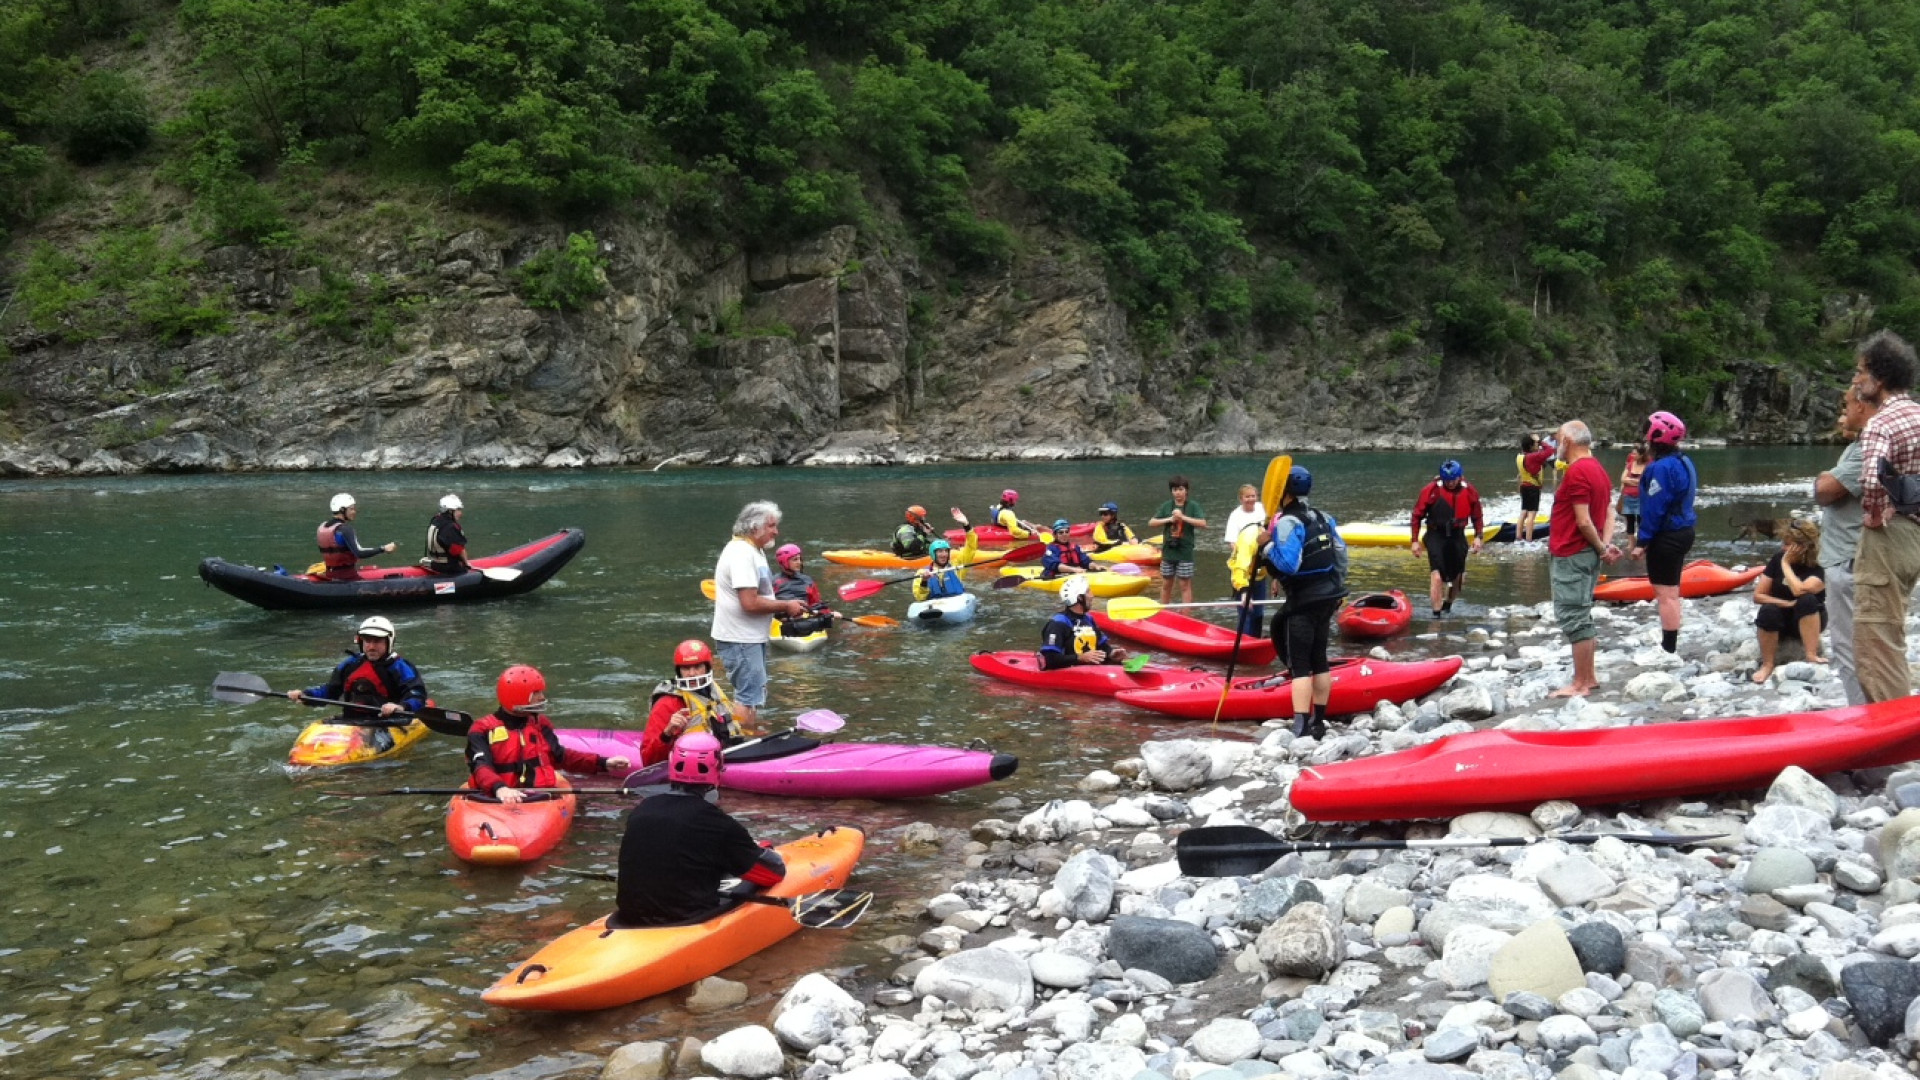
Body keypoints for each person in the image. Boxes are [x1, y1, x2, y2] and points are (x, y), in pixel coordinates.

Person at [614, 732, 787, 927]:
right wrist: (763, 849)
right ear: (718, 767)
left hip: (630, 918)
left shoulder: (641, 809)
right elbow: (772, 874)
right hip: (684, 920)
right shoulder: (717, 823)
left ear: (672, 764)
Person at [1850, 330, 1920, 703]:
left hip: (1888, 535)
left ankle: (1892, 738)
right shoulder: (1918, 414)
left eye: (1861, 372)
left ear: (1880, 378)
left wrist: (1876, 514)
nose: (1857, 380)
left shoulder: (1881, 422)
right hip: (1915, 536)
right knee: (1893, 631)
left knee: (1875, 640)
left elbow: (1871, 478)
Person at [1263, 466, 1349, 739]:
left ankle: (1300, 727)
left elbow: (1288, 564)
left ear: (1284, 492)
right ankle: (1319, 722)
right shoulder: (1324, 518)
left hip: (1303, 600)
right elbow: (1341, 555)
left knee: (1300, 664)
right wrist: (1338, 588)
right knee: (1319, 659)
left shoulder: (1289, 522)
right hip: (1328, 597)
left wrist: (1266, 546)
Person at [711, 501, 811, 733]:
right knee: (747, 696)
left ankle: (749, 733)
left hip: (750, 637)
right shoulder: (741, 554)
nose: (776, 531)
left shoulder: (753, 550)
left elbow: (760, 596)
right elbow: (749, 603)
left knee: (754, 693)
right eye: (771, 526)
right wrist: (786, 605)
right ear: (754, 527)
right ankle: (741, 745)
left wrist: (783, 608)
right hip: (740, 638)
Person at [467, 664, 629, 803]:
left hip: (538, 798)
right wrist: (500, 788)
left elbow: (561, 757)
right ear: (517, 694)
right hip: (496, 797)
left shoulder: (539, 723)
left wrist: (603, 763)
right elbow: (481, 767)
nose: (542, 697)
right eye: (535, 693)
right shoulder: (481, 730)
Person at [1815, 387, 1880, 706]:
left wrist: (1825, 477)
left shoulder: (1867, 445)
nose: (1842, 414)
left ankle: (1867, 727)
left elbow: (1825, 489)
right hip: (1857, 557)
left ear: (1862, 406)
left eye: (1845, 406)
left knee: (1849, 649)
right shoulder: (1867, 442)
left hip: (1848, 560)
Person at [1547, 421, 1621, 698]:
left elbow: (1583, 521)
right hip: (1586, 552)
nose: (1555, 445)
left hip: (1573, 553)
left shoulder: (1578, 472)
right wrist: (1606, 545)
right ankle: (1589, 678)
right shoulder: (1597, 469)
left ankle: (1580, 684)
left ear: (1567, 440)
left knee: (1573, 616)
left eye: (1557, 439)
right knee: (1582, 613)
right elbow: (1610, 512)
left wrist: (1602, 548)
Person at [289, 615, 428, 751]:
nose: (371, 646)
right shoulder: (350, 664)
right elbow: (330, 691)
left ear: (389, 642)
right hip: (351, 721)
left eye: (377, 641)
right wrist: (305, 695)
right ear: (361, 642)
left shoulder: (400, 667)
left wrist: (401, 706)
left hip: (388, 722)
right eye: (367, 641)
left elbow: (416, 694)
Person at [1630, 411, 1698, 654]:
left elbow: (1655, 508)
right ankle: (1670, 643)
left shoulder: (1659, 468)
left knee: (1666, 593)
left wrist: (1642, 541)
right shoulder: (1684, 461)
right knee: (1672, 590)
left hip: (1667, 536)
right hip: (1684, 531)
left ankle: (1668, 649)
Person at [641, 640, 746, 767]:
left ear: (707, 668)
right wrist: (667, 732)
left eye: (697, 667)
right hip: (693, 766)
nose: (692, 673)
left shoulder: (713, 690)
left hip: (727, 753)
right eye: (686, 668)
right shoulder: (667, 703)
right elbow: (648, 761)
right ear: (678, 670)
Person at [1751, 519, 1828, 684]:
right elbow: (1758, 595)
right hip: (1782, 615)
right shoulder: (1776, 559)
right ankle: (1767, 664)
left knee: (1807, 600)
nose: (1782, 548)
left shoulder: (1819, 565)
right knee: (1768, 610)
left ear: (1803, 547)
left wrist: (1786, 564)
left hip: (1809, 616)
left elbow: (1798, 590)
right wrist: (1786, 604)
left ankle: (1811, 654)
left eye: (1787, 544)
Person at [1410, 459, 1485, 617]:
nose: (1450, 483)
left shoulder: (1469, 490)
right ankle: (1436, 616)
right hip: (1436, 534)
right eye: (1447, 481)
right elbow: (1416, 516)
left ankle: (1448, 605)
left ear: (1460, 477)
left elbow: (1477, 516)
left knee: (1459, 577)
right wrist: (1415, 541)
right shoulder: (1431, 490)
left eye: (1453, 480)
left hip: (1457, 534)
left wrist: (1479, 536)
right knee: (1437, 576)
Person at [1038, 575, 1131, 669]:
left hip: (1090, 671)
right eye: (1088, 591)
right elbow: (1050, 659)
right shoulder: (1058, 623)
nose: (1092, 595)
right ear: (1080, 598)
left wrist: (1111, 653)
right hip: (1068, 674)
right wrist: (1080, 658)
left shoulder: (1088, 619)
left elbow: (1101, 646)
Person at [1150, 476, 1208, 605]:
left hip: (1185, 552)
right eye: (1175, 489)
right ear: (1172, 491)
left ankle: (1186, 614)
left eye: (1181, 489)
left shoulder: (1193, 506)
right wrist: (1169, 519)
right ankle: (1164, 611)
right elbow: (1152, 522)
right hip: (1168, 551)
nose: (1178, 492)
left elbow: (1203, 523)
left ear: (1186, 490)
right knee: (1166, 584)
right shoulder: (1166, 506)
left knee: (1184, 585)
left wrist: (1183, 517)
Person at [317, 493, 396, 581]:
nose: (354, 512)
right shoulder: (345, 529)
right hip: (348, 578)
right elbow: (359, 553)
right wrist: (383, 549)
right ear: (342, 510)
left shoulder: (323, 527)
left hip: (331, 575)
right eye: (351, 509)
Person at [770, 544, 841, 636]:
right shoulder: (773, 582)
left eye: (799, 559)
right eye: (795, 559)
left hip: (804, 617)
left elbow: (816, 603)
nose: (799, 562)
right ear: (784, 562)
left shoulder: (807, 581)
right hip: (781, 620)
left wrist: (829, 614)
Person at [1227, 507, 1268, 639]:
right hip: (1242, 576)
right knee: (1246, 614)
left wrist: (1277, 580)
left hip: (1260, 576)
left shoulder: (1275, 537)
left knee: (1258, 613)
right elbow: (1240, 567)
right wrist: (1244, 591)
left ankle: (1255, 641)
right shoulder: (1249, 539)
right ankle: (1243, 643)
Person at [1516, 434, 1557, 542]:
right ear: (1530, 446)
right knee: (1531, 514)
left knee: (1523, 512)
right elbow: (1550, 450)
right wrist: (1541, 442)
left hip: (1524, 487)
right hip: (1533, 488)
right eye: (1535, 444)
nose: (1537, 446)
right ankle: (1529, 540)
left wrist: (1537, 442)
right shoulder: (1534, 457)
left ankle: (1518, 537)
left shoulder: (1520, 456)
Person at [423, 494, 469, 575]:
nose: (460, 513)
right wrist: (466, 564)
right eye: (458, 510)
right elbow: (458, 550)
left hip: (433, 563)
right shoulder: (450, 527)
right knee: (462, 569)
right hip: (447, 568)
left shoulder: (435, 520)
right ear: (450, 511)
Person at [1616, 447, 1646, 539]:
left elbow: (1644, 481)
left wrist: (1629, 480)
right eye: (1632, 453)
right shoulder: (1630, 464)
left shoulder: (1648, 465)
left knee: (1641, 520)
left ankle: (1640, 542)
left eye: (1635, 453)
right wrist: (1636, 481)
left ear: (1641, 455)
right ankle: (1631, 544)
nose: (1632, 455)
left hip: (1641, 498)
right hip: (1628, 497)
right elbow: (1623, 479)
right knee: (1630, 520)